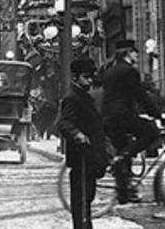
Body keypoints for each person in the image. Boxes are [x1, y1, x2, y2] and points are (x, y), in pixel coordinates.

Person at [100, 39, 160, 203]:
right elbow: (140, 95)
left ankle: (124, 193)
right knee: (151, 133)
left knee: (121, 152)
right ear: (128, 53)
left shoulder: (109, 70)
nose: (136, 55)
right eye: (134, 52)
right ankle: (126, 155)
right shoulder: (129, 71)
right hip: (122, 116)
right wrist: (157, 114)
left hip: (109, 118)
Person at [57, 57, 108, 229]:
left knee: (86, 199)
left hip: (89, 157)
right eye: (86, 77)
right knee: (81, 201)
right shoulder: (72, 98)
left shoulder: (84, 96)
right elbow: (64, 123)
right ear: (75, 77)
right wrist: (77, 134)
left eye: (91, 76)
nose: (90, 80)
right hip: (81, 158)